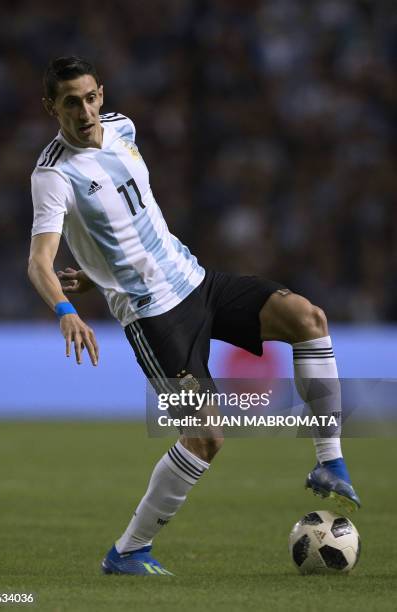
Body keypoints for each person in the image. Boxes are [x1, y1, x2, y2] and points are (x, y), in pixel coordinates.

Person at [28, 56, 360, 577]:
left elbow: (128, 216)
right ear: (52, 108)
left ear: (101, 94)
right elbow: (39, 261)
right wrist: (67, 309)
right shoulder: (52, 175)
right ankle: (129, 551)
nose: (85, 111)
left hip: (198, 283)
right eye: (71, 102)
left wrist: (98, 269)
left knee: (307, 318)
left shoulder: (122, 128)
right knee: (205, 437)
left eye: (91, 97)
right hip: (154, 318)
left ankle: (330, 461)